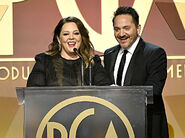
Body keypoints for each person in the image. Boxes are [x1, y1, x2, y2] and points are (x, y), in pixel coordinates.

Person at [104, 6, 169, 138]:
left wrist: (121, 93)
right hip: (119, 126)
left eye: (126, 28)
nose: (121, 34)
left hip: (147, 126)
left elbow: (153, 90)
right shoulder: (109, 54)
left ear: (138, 28)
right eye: (117, 29)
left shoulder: (155, 53)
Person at [27, 16, 111, 86]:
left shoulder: (92, 63)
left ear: (81, 37)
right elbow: (33, 93)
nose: (71, 37)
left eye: (76, 33)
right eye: (66, 34)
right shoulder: (44, 61)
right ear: (59, 39)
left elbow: (105, 91)